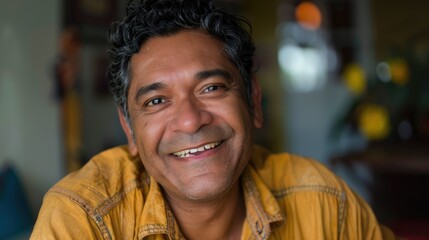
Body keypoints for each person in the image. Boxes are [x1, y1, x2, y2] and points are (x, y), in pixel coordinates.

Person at [31, 0, 396, 239]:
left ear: (253, 101)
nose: (189, 121)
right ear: (129, 128)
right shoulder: (83, 219)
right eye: (157, 100)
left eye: (211, 88)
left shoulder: (323, 202)